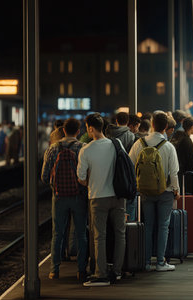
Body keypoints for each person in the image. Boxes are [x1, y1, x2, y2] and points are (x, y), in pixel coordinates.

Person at [78, 113, 126, 287]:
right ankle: (118, 271)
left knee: (99, 237)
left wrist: (93, 178)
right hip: (118, 197)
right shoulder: (116, 143)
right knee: (120, 234)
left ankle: (101, 274)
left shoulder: (86, 149)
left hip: (98, 197)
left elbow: (81, 179)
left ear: (91, 128)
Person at [129, 112, 179, 272]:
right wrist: (176, 190)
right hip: (165, 191)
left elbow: (130, 165)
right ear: (165, 127)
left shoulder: (139, 143)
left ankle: (145, 262)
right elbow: (174, 172)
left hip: (145, 191)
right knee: (163, 226)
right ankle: (160, 262)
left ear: (151, 123)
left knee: (148, 225)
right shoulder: (169, 146)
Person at [41, 118, 89, 282]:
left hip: (59, 196)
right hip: (79, 197)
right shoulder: (82, 148)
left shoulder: (53, 148)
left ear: (63, 131)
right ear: (78, 131)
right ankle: (81, 270)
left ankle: (54, 271)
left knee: (58, 234)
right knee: (81, 233)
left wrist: (56, 185)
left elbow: (44, 176)